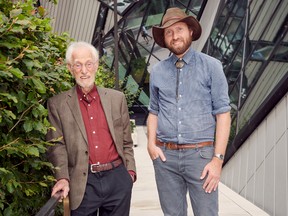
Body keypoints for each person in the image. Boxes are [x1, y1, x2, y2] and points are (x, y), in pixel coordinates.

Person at [147, 7, 231, 216]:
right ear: (164, 38)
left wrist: (218, 160)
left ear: (191, 31)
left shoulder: (212, 66)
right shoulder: (157, 72)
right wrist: (151, 145)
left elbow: (223, 114)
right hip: (166, 159)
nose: (175, 36)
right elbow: (153, 112)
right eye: (168, 32)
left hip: (201, 157)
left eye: (179, 29)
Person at [46, 41, 136, 216]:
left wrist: (130, 173)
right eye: (78, 65)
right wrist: (62, 178)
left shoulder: (117, 99)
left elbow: (126, 141)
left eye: (88, 64)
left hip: (117, 178)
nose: (84, 70)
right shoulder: (57, 104)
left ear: (96, 66)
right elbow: (56, 146)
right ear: (70, 68)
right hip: (82, 182)